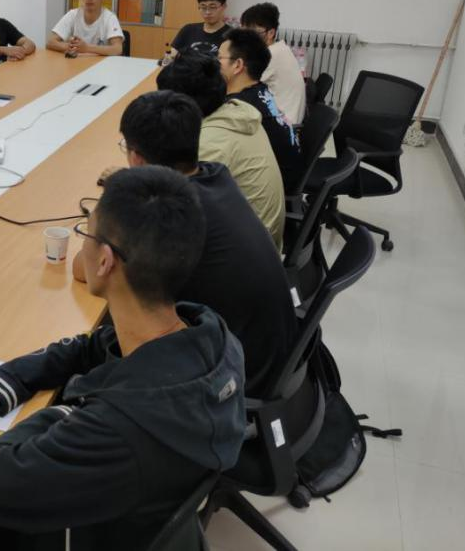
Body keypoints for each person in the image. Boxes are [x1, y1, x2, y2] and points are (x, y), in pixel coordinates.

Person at [0, 165, 247, 549]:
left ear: (104, 261)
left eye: (85, 232)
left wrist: (63, 412)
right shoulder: (212, 336)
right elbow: (89, 348)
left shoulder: (115, 432)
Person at [75, 90, 298, 398]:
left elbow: (86, 269)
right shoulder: (214, 177)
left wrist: (116, 201)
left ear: (136, 158)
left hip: (235, 381)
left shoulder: (170, 218)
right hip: (267, 356)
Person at [157, 54, 286, 249]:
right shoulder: (238, 111)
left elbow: (171, 210)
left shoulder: (209, 144)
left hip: (245, 252)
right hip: (260, 236)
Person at [220, 28, 304, 192]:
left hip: (275, 185)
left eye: (219, 58)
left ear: (238, 65)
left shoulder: (239, 108)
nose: (214, 63)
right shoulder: (259, 89)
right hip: (287, 173)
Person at [240, 1, 306, 125]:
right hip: (282, 116)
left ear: (271, 33)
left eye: (253, 33)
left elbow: (241, 85)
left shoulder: (271, 55)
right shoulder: (279, 48)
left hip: (283, 124)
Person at [47, 0, 124, 56]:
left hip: (101, 63)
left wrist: (87, 48)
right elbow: (50, 42)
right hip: (76, 62)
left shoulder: (109, 18)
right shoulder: (72, 14)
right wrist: (71, 46)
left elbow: (117, 49)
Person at [161, 0, 232, 65]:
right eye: (203, 7)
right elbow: (172, 54)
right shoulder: (188, 30)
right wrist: (169, 58)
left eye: (212, 7)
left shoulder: (232, 35)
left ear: (224, 6)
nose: (207, 12)